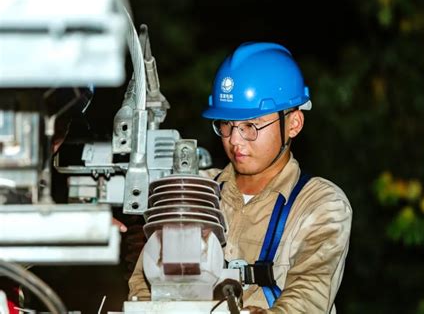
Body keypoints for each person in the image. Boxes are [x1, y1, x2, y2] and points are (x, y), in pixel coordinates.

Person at [128, 42, 352, 313]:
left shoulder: (321, 204)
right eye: (226, 124)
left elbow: (308, 295)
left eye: (250, 126)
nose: (235, 140)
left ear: (293, 123)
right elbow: (143, 286)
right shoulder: (194, 191)